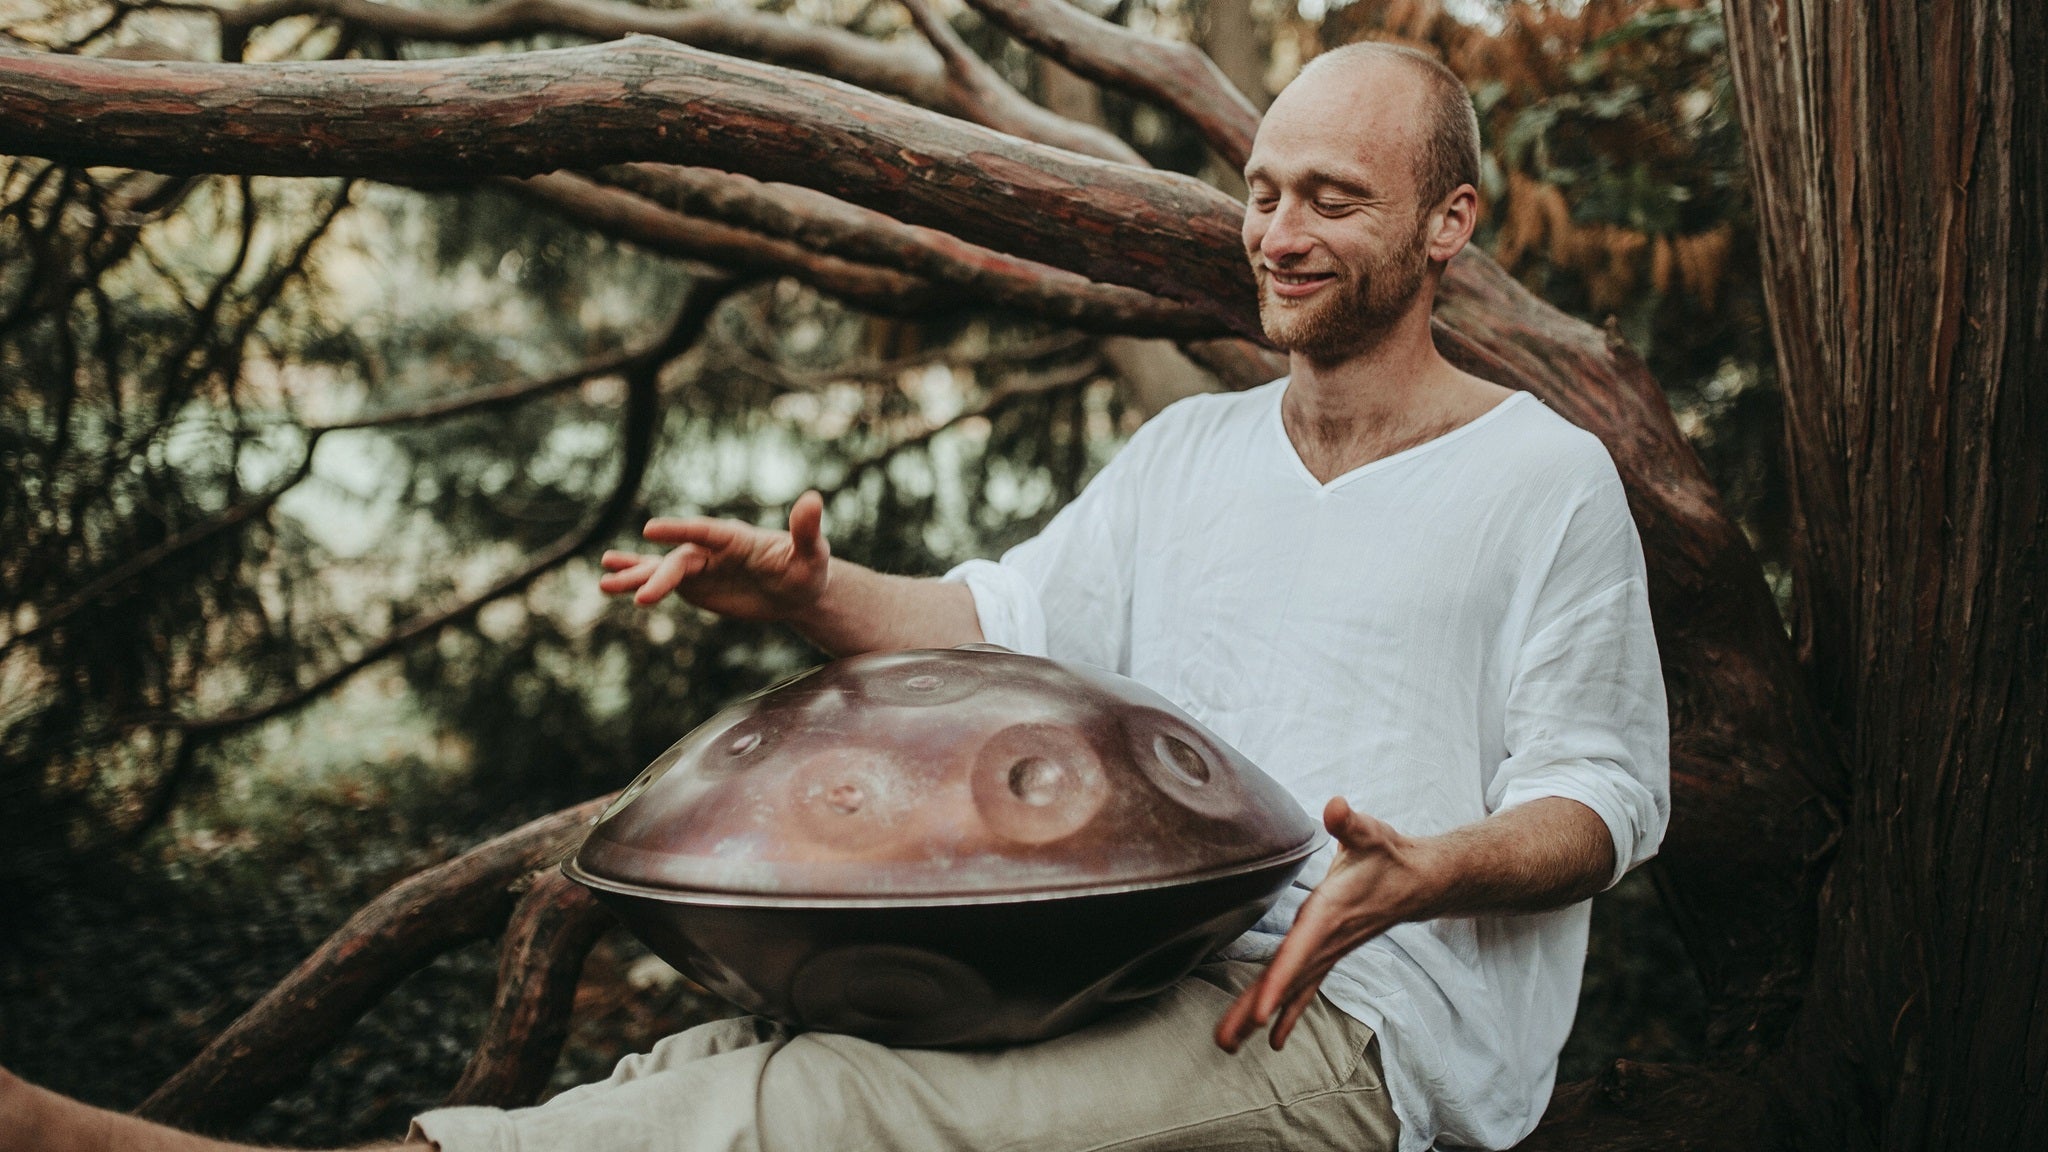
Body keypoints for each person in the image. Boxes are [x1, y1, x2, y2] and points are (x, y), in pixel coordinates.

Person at [0, 40, 1667, 1152]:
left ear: (1450, 226)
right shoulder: (1193, 453)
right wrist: (809, 595)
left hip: (1361, 1027)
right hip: (1143, 958)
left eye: (1333, 200)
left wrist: (1435, 867)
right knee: (701, 1070)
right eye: (1263, 191)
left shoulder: (1537, 479)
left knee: (837, 1112)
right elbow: (991, 620)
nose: (1279, 235)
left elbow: (1605, 797)